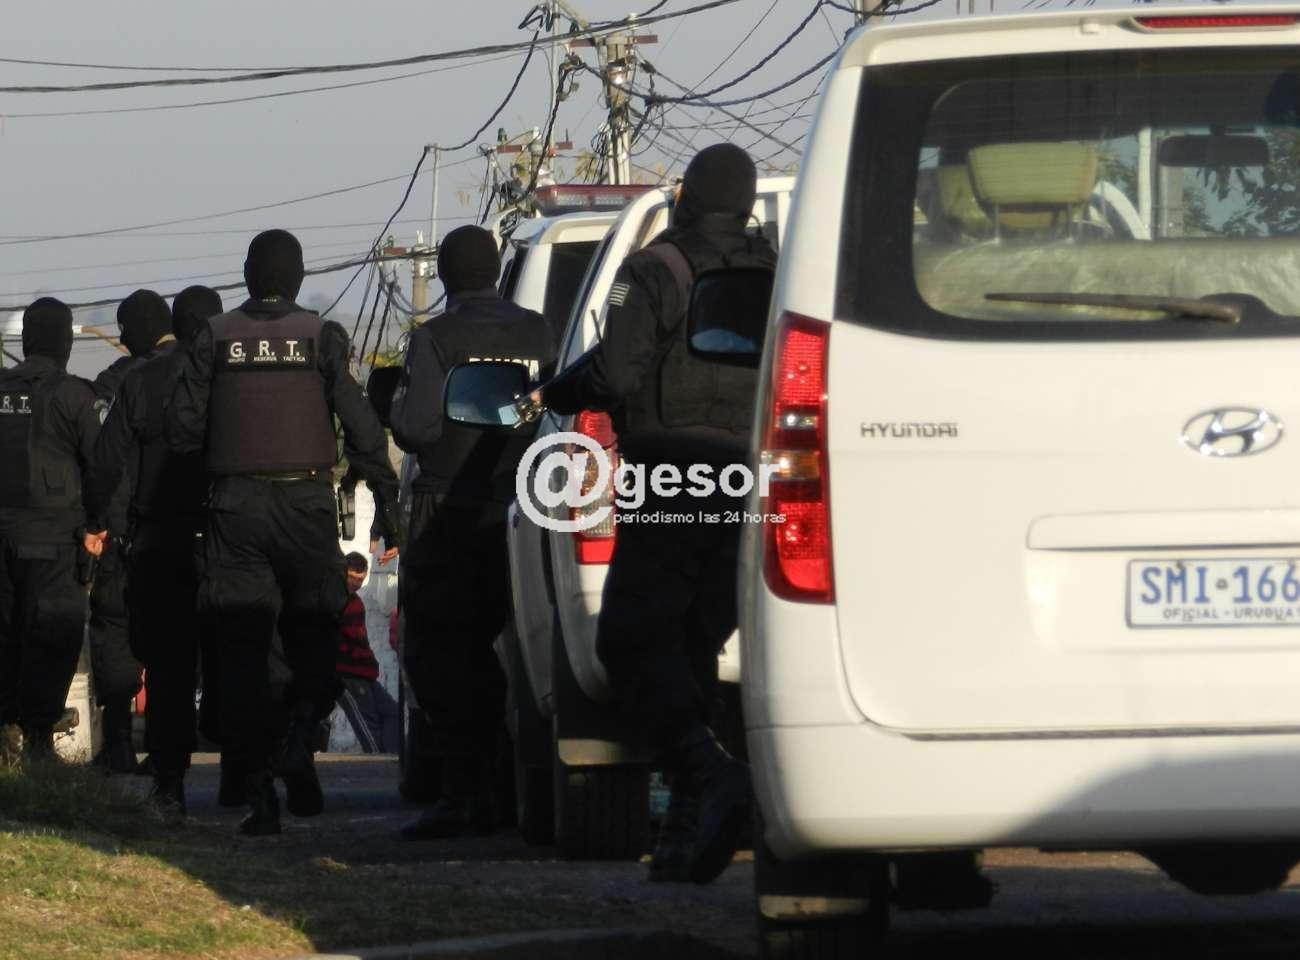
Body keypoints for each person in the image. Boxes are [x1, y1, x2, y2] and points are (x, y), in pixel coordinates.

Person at [534, 144, 777, 883]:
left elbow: (616, 372)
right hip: (752, 481)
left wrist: (560, 393)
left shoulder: (657, 268)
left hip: (671, 472)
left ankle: (709, 771)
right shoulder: (780, 273)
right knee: (695, 641)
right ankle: (687, 831)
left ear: (687, 198)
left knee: (630, 639)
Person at [166, 230, 401, 836]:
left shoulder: (213, 337)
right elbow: (362, 427)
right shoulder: (322, 337)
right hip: (306, 505)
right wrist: (386, 501)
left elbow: (183, 429)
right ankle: (301, 735)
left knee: (244, 650)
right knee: (316, 631)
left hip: (233, 509)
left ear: (247, 276)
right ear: (297, 278)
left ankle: (262, 790)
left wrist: (204, 493)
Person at [390, 224, 557, 840]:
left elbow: (415, 429)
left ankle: (466, 791)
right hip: (530, 504)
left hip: (449, 510)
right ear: (494, 272)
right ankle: (515, 785)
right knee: (520, 645)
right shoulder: (541, 331)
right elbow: (553, 404)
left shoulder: (435, 337)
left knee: (440, 652)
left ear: (444, 275)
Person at [86, 285, 222, 816]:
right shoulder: (226, 375)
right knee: (236, 649)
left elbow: (106, 462)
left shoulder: (137, 381)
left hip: (157, 538)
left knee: (166, 664)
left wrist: (97, 521)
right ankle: (248, 771)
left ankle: (169, 779)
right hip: (226, 534)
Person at [0, 298, 104, 763]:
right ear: (65, 342)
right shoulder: (75, 396)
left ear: (26, 341)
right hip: (54, 541)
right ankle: (39, 741)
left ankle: (6, 736)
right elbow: (102, 467)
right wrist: (97, 526)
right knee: (53, 637)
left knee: (6, 634)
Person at [87, 290, 172, 772]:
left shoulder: (116, 382)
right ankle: (166, 747)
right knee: (172, 637)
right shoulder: (194, 372)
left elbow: (101, 458)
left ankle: (119, 740)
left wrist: (95, 521)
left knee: (114, 630)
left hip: (123, 535)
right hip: (181, 530)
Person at [332, 551, 398, 753]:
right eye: (352, 578)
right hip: (347, 674)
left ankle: (390, 756)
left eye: (361, 580)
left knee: (392, 711)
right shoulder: (333, 601)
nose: (357, 584)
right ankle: (377, 760)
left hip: (364, 671)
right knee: (368, 724)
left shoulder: (356, 603)